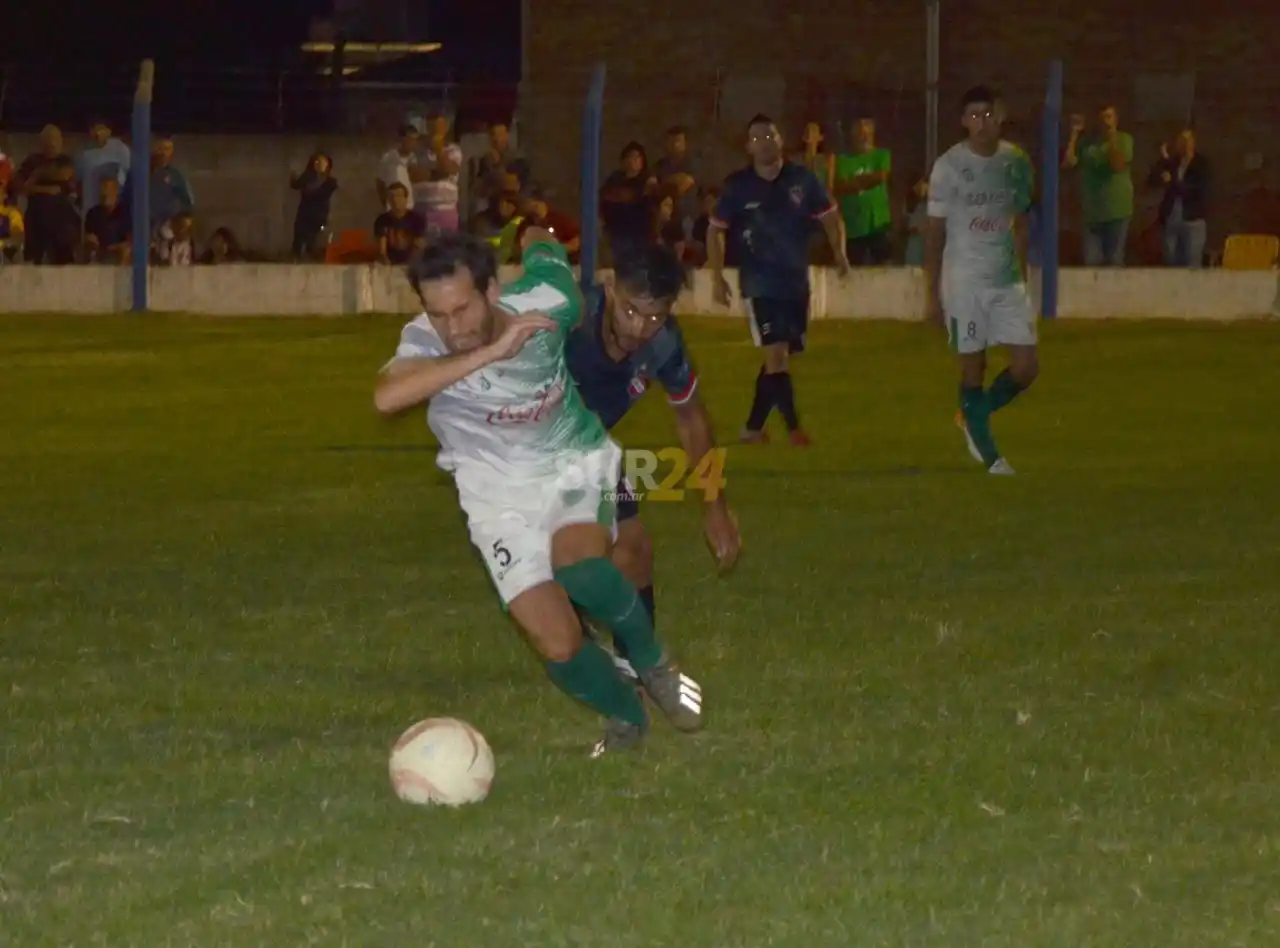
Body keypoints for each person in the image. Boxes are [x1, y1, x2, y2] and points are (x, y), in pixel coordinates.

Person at [374, 231, 704, 756]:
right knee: (558, 641)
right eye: (438, 314)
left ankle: (653, 660)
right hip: (495, 497)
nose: (452, 328)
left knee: (579, 566)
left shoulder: (549, 298)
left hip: (570, 459)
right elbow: (388, 396)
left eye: (462, 309)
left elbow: (543, 248)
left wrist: (536, 236)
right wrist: (490, 353)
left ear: (490, 288)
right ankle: (627, 718)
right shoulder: (423, 343)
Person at [566, 242, 742, 679]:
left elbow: (692, 419)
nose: (640, 328)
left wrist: (715, 506)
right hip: (528, 446)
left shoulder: (663, 345)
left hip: (589, 445)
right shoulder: (570, 317)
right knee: (570, 567)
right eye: (630, 310)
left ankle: (636, 666)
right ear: (610, 288)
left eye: (656, 316)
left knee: (634, 549)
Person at [707, 114, 849, 446]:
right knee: (777, 357)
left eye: (770, 135)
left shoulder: (802, 180)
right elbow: (715, 230)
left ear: (780, 139)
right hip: (759, 284)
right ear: (748, 147)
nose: (765, 142)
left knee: (780, 357)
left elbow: (831, 216)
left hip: (795, 282)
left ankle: (752, 429)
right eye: (757, 138)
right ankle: (794, 428)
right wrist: (716, 277)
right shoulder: (738, 186)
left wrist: (840, 253)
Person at [923, 85, 1038, 476]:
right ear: (962, 121)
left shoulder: (1016, 162)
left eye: (987, 114)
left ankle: (973, 415)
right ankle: (992, 458)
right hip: (964, 282)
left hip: (1006, 280)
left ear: (1000, 115)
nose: (981, 123)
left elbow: (1021, 223)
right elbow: (934, 233)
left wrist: (1023, 278)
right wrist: (930, 294)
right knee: (975, 367)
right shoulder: (949, 166)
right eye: (973, 116)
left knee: (1026, 367)